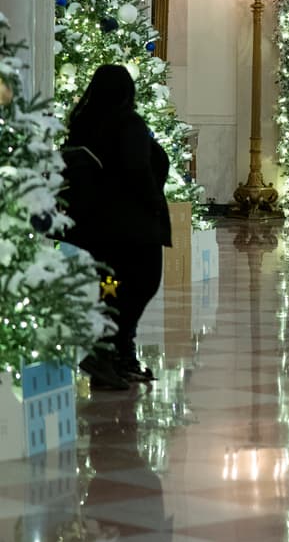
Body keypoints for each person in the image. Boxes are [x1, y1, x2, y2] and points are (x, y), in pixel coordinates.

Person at [62, 65, 172, 389]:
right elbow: (137, 169)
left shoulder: (84, 123)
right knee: (141, 286)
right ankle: (107, 352)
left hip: (101, 232)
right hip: (133, 230)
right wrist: (153, 203)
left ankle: (119, 356)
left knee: (111, 288)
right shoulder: (128, 123)